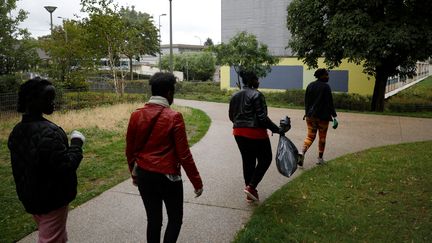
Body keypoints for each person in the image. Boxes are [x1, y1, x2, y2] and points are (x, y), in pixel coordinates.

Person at [125, 72, 203, 243]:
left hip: (144, 174)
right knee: (175, 219)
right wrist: (197, 182)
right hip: (169, 177)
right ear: (169, 92)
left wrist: (134, 173)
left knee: (153, 220)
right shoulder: (174, 117)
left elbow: (129, 151)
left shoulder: (136, 115)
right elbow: (184, 155)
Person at [8, 77, 85, 243]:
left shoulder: (17, 131)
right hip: (52, 199)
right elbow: (66, 165)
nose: (53, 103)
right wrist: (77, 144)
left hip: (30, 196)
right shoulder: (49, 132)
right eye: (48, 98)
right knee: (52, 238)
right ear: (33, 101)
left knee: (53, 234)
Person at [229, 70, 287, 202]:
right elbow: (262, 118)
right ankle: (251, 187)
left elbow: (231, 116)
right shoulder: (257, 95)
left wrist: (240, 125)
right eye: (256, 79)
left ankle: (250, 192)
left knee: (248, 161)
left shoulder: (235, 95)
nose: (258, 81)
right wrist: (277, 129)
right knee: (266, 159)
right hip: (255, 133)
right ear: (251, 81)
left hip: (238, 132)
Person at [298, 68, 338, 166]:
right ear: (321, 76)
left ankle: (302, 152)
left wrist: (307, 113)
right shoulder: (326, 87)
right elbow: (330, 103)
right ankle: (320, 159)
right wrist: (334, 117)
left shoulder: (310, 85)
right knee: (322, 137)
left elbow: (306, 102)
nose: (328, 77)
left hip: (310, 116)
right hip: (323, 117)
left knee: (310, 136)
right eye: (326, 75)